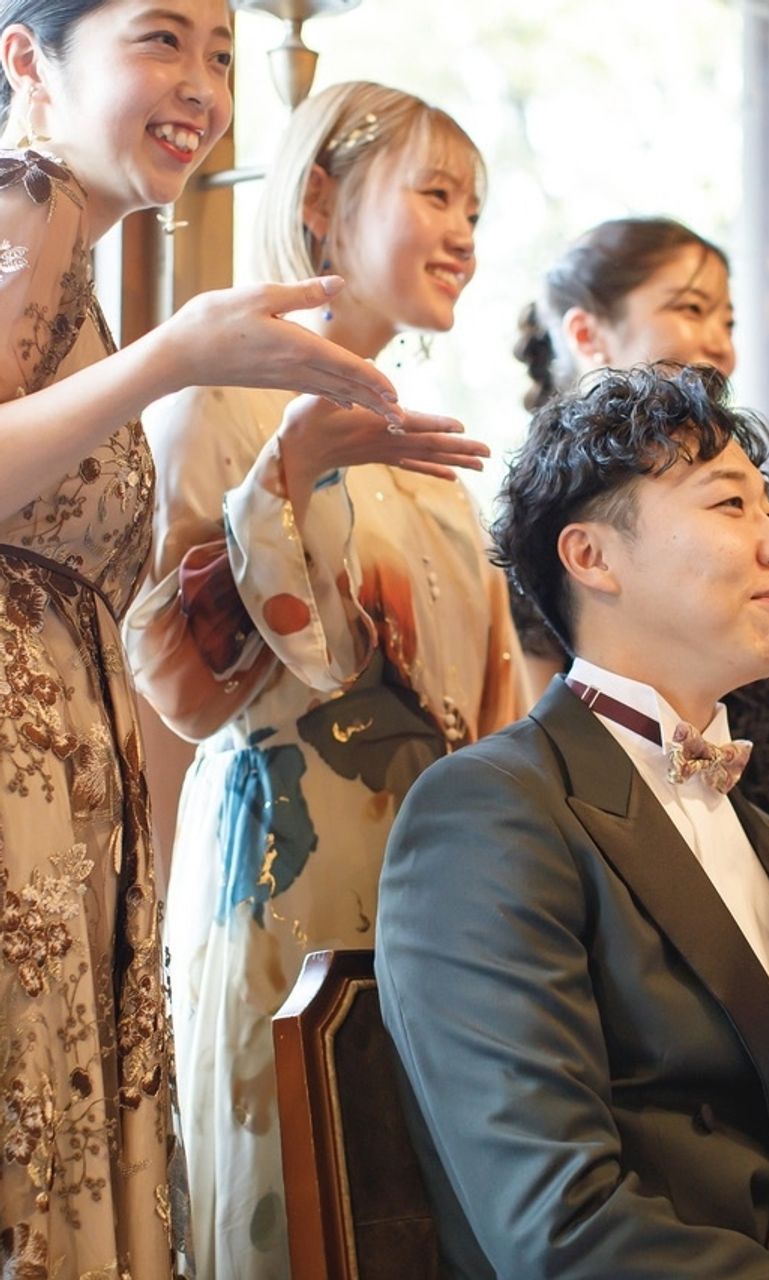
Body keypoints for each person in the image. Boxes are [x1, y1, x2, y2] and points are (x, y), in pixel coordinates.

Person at [376, 364, 769, 1279]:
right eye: (730, 505)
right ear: (593, 558)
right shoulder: (490, 812)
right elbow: (562, 1228)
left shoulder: (764, 834)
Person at [0, 1, 417, 1273]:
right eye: (161, 39)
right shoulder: (27, 202)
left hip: (70, 802)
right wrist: (175, 357)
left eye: (222, 55)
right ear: (27, 59)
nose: (202, 85)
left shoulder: (73, 261)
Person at [122, 80, 528, 1277]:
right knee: (297, 1206)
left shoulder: (421, 435)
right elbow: (175, 678)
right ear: (317, 199)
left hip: (432, 883)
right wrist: (285, 478)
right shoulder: (220, 396)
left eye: (475, 209)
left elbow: (488, 705)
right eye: (436, 195)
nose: (463, 234)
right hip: (282, 870)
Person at [513, 215, 769, 825]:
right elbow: (541, 739)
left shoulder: (761, 511)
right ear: (586, 333)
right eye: (692, 309)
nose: (722, 344)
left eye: (729, 322)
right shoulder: (561, 513)